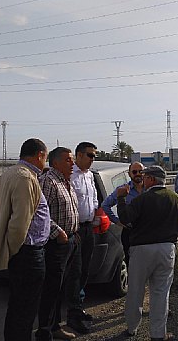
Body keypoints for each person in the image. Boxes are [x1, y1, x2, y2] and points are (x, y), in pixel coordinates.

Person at [0, 138, 50, 341]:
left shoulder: (11, 173)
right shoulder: (25, 178)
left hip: (24, 253)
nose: (45, 162)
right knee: (25, 309)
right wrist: (15, 250)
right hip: (27, 253)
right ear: (39, 155)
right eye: (45, 157)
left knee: (18, 306)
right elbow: (19, 223)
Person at [116, 165, 178, 341]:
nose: (143, 180)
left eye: (145, 177)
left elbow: (125, 218)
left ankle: (132, 327)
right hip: (167, 248)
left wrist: (121, 199)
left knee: (136, 289)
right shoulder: (176, 199)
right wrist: (173, 229)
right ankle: (158, 334)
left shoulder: (141, 200)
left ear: (151, 180)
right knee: (161, 292)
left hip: (141, 249)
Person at [35, 147, 79, 341]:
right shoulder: (48, 181)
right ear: (55, 162)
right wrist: (57, 232)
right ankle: (44, 332)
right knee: (51, 289)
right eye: (69, 160)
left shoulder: (65, 181)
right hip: (56, 244)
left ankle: (55, 327)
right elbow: (39, 212)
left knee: (60, 288)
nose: (73, 164)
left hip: (70, 240)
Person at [66, 141, 98, 334]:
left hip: (88, 229)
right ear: (78, 155)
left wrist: (93, 213)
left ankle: (78, 305)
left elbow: (93, 198)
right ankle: (73, 312)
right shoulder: (71, 175)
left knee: (85, 269)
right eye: (90, 155)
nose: (92, 159)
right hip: (75, 229)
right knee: (74, 272)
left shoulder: (90, 176)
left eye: (94, 155)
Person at [101, 161, 144, 266]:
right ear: (129, 174)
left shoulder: (150, 189)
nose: (138, 174)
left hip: (148, 232)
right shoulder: (123, 190)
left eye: (141, 171)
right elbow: (105, 205)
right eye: (134, 172)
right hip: (131, 233)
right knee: (133, 265)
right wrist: (117, 221)